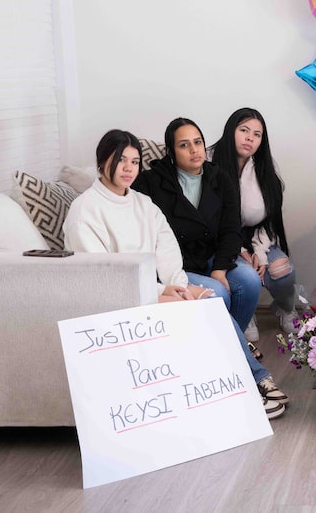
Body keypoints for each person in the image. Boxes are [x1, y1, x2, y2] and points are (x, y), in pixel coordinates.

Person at [64, 130, 288, 419]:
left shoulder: (142, 203)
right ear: (101, 161)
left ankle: (240, 381)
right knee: (201, 307)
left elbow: (167, 250)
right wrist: (161, 291)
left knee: (206, 297)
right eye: (121, 160)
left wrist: (178, 285)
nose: (128, 168)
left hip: (148, 289)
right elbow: (104, 274)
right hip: (114, 297)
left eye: (134, 161)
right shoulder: (86, 209)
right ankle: (245, 386)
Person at [133, 117, 263, 338]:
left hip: (212, 257)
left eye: (198, 142)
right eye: (184, 145)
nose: (194, 150)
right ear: (171, 152)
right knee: (218, 292)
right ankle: (226, 349)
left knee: (249, 280)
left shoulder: (219, 177)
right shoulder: (149, 182)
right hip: (175, 264)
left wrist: (220, 269)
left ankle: (232, 344)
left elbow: (231, 230)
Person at [211, 108, 298, 334]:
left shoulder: (264, 167)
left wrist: (259, 253)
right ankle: (244, 312)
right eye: (244, 130)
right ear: (231, 131)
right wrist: (239, 251)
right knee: (245, 275)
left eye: (257, 134)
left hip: (256, 237)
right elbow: (210, 219)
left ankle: (285, 308)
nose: (250, 138)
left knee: (281, 269)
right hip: (218, 241)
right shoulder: (209, 162)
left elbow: (269, 219)